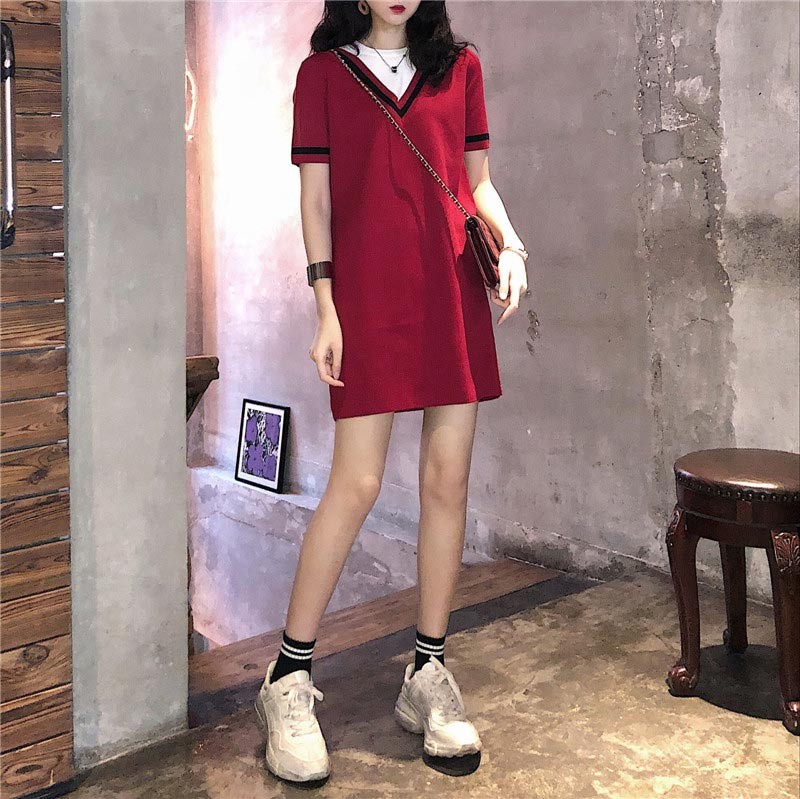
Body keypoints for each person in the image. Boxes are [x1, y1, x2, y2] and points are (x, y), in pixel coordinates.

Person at [255, 0, 529, 783]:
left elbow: (477, 182)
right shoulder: (323, 75)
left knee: (447, 481)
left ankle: (427, 670)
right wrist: (326, 306)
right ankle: (287, 676)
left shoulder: (460, 68)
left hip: (450, 289)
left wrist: (512, 245)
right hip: (367, 297)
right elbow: (315, 200)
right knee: (359, 481)